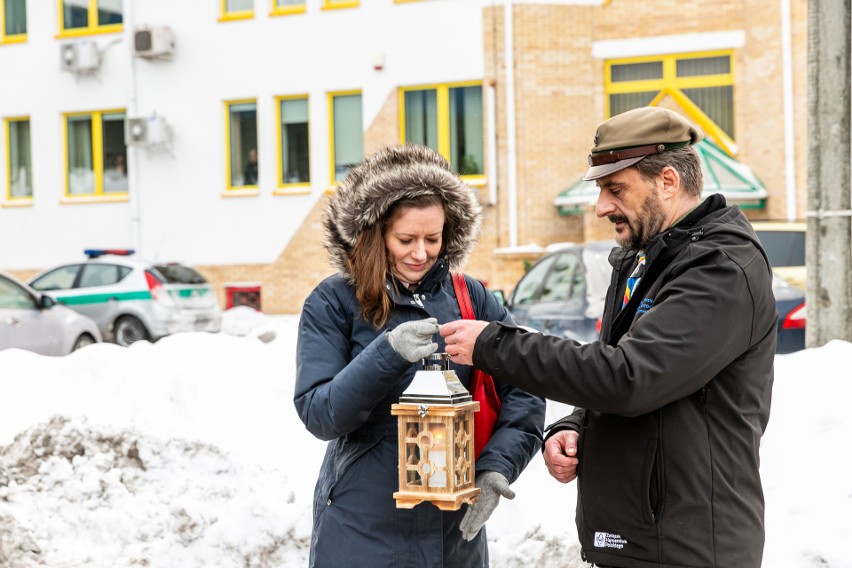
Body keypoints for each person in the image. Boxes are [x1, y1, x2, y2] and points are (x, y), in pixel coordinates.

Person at [440, 106, 777, 568]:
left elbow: (630, 379)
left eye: (615, 189)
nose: (601, 207)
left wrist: (494, 344)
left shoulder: (718, 270)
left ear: (668, 182)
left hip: (689, 550)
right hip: (638, 541)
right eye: (600, 190)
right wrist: (577, 425)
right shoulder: (644, 258)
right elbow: (628, 369)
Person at [294, 144, 545, 567]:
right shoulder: (333, 301)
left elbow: (524, 387)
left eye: (433, 238)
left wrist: (497, 466)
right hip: (362, 530)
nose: (421, 253)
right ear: (375, 234)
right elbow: (321, 413)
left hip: (454, 537)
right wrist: (387, 352)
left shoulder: (472, 298)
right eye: (405, 239)